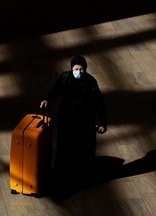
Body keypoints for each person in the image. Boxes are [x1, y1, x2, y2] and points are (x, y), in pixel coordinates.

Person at [40, 55, 107, 195]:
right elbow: (56, 90)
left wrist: (101, 122)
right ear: (71, 69)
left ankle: (78, 176)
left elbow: (98, 103)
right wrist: (47, 98)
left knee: (79, 147)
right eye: (76, 69)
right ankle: (61, 175)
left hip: (83, 121)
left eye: (81, 69)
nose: (79, 72)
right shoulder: (65, 78)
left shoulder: (90, 82)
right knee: (64, 146)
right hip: (65, 118)